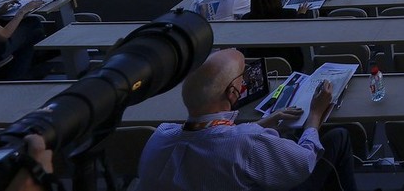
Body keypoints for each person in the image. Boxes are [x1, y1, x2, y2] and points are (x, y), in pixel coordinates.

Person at [136, 48, 356, 191]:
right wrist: (315, 114)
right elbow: (305, 161)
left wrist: (264, 122)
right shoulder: (247, 143)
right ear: (233, 92)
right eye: (243, 77)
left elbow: (215, 137)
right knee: (339, 137)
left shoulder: (159, 137)